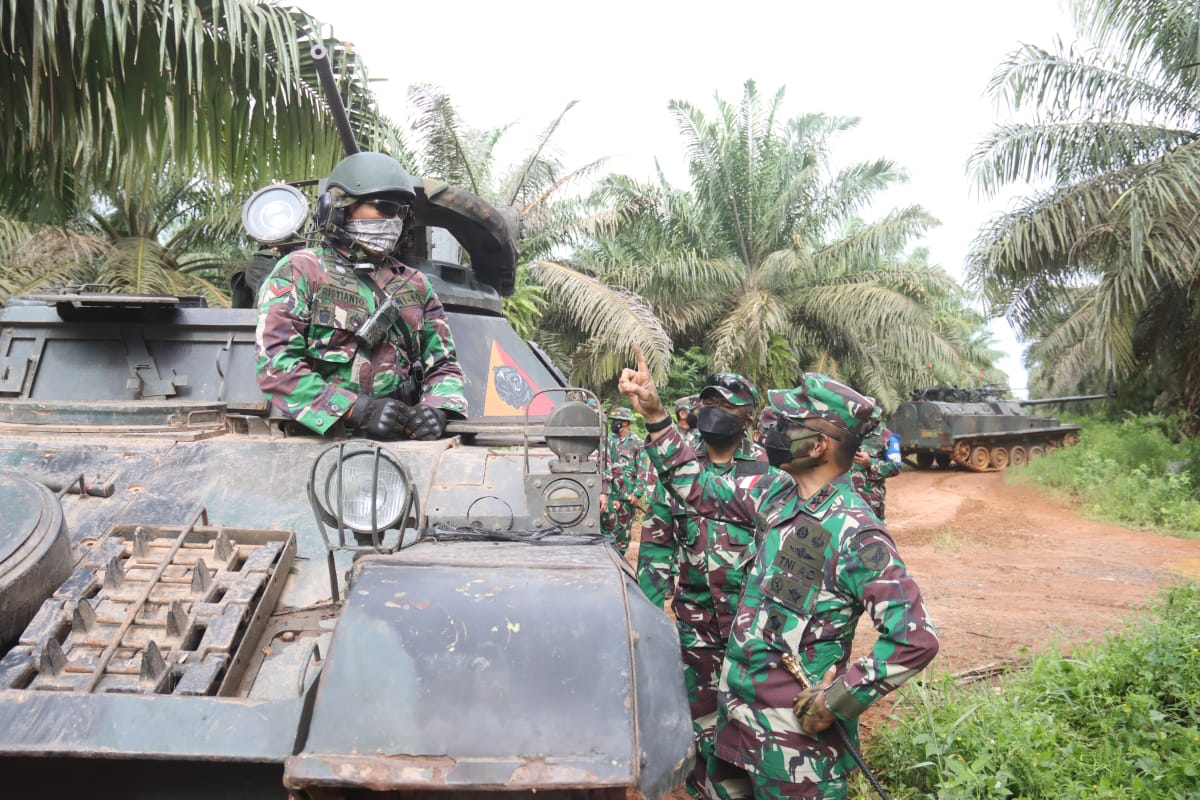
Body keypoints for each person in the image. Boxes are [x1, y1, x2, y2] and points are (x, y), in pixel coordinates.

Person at [620, 348, 938, 800]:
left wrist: (838, 700)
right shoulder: (776, 494)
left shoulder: (856, 533)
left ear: (819, 445)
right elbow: (694, 485)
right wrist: (654, 414)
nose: (773, 430)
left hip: (796, 757)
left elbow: (914, 638)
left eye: (789, 424)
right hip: (738, 731)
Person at [636, 373, 794, 798]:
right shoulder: (679, 466)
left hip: (754, 629)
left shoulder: (771, 471)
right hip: (697, 624)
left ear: (747, 416)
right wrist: (649, 623)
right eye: (708, 402)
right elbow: (656, 546)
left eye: (726, 405)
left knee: (756, 723)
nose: (714, 412)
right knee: (700, 720)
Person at [255, 152, 466, 440]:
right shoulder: (301, 271)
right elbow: (276, 366)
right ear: (338, 209)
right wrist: (356, 410)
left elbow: (444, 365)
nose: (394, 221)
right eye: (384, 208)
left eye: (401, 212)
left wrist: (436, 409)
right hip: (319, 442)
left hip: (401, 442)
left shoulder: (415, 285)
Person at [600, 406, 645, 554]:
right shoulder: (607, 440)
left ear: (625, 423)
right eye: (613, 421)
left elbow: (642, 469)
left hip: (627, 495)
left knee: (624, 533)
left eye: (617, 421)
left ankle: (621, 561)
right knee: (607, 530)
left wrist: (637, 493)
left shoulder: (637, 442)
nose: (614, 424)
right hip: (609, 493)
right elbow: (603, 466)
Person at [850, 406, 902, 519]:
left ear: (874, 419)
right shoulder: (849, 433)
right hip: (847, 497)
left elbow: (896, 467)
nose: (860, 423)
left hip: (870, 500)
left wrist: (871, 463)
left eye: (865, 420)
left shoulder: (888, 437)